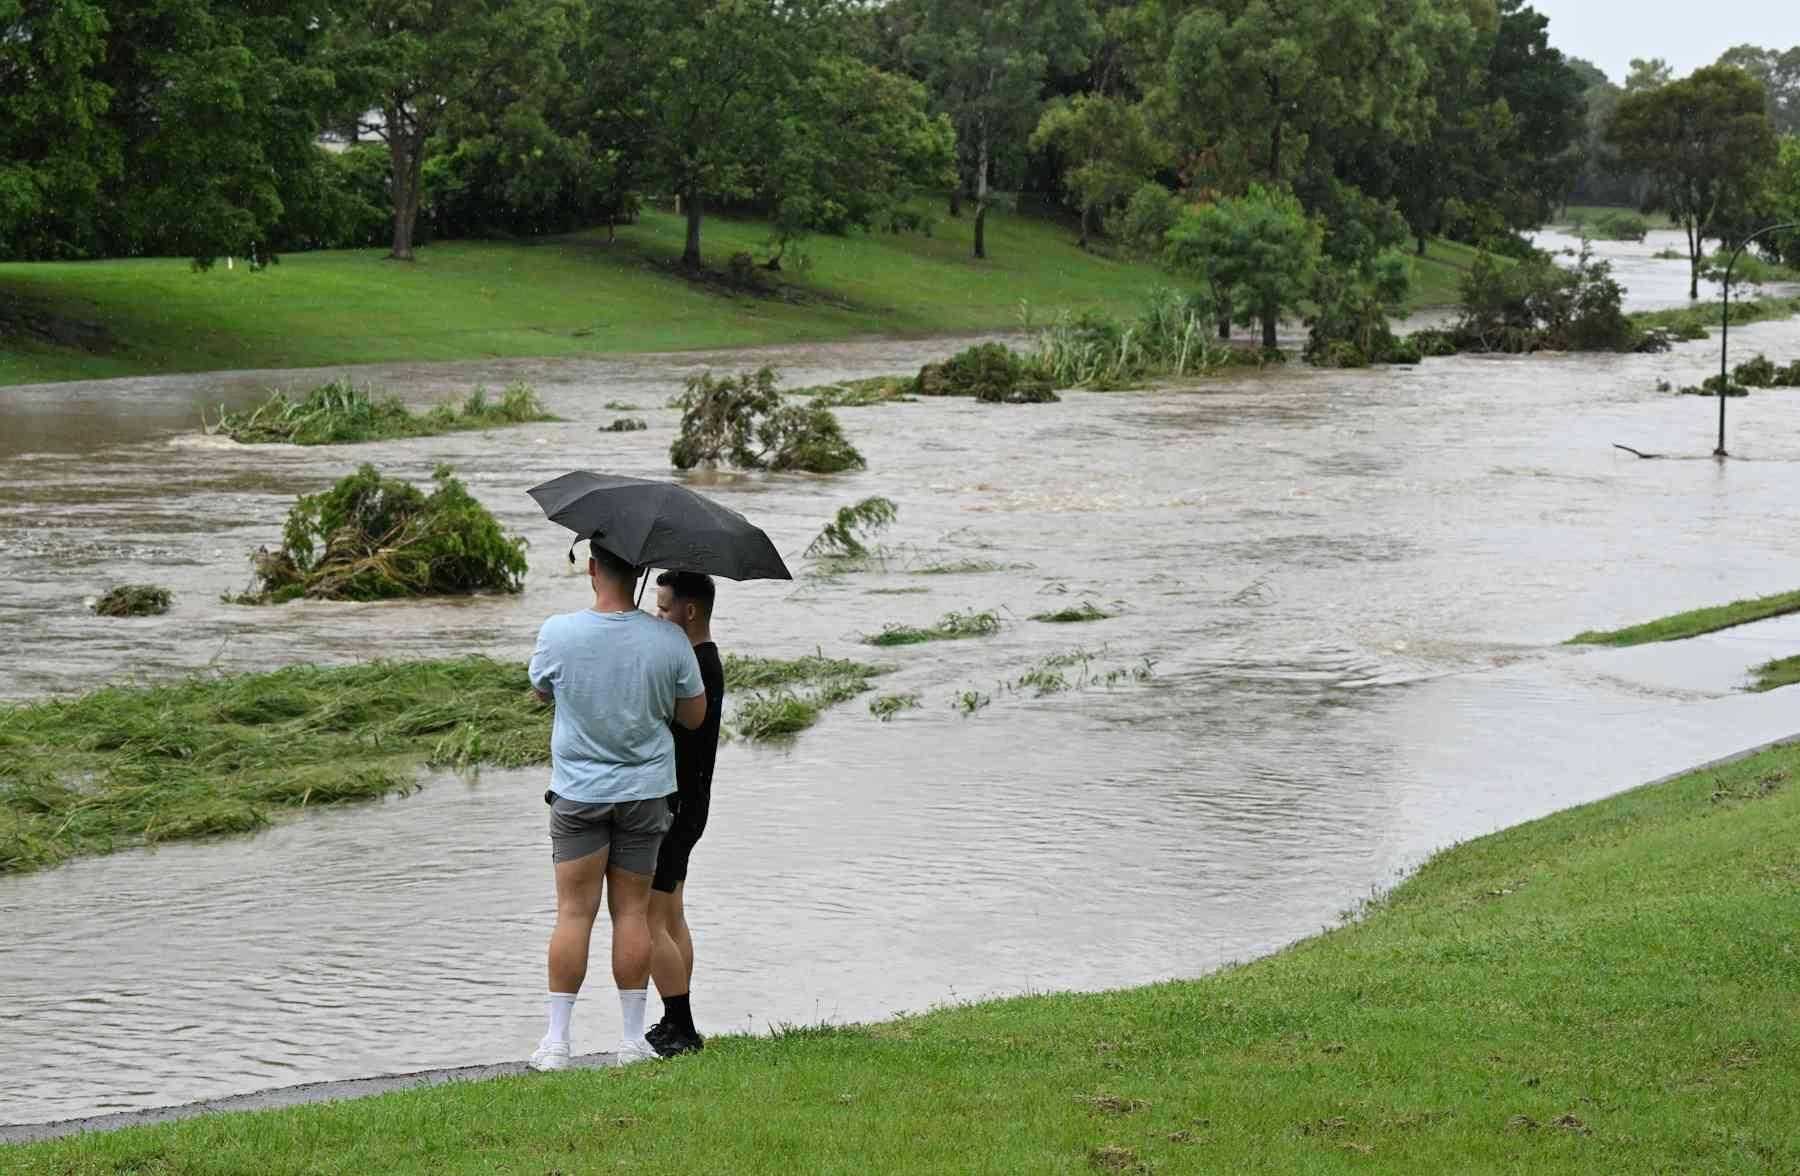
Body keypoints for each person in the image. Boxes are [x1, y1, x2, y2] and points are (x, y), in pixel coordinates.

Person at [525, 541, 707, 1071]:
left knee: (573, 913)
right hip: (646, 795)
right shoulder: (669, 638)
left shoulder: (558, 631)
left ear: (592, 568)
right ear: (642, 573)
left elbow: (539, 690)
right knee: (631, 913)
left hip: (579, 793)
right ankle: (631, 1041)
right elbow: (693, 717)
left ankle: (558, 1044)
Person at [646, 571, 725, 1057]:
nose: (657, 617)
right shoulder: (704, 660)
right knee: (671, 913)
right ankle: (676, 1017)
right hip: (692, 802)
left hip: (676, 805)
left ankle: (683, 1026)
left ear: (688, 612)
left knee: (652, 916)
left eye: (661, 608)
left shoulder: (695, 666)